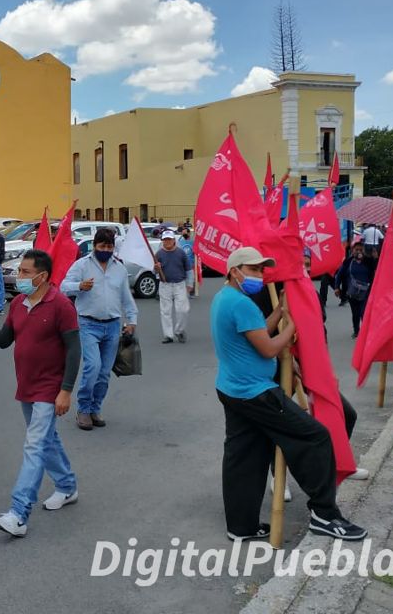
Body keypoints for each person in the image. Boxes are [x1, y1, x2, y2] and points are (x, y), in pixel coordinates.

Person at [211, 246, 367, 541]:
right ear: (235, 271)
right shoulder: (241, 303)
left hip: (232, 387)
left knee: (245, 456)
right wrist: (294, 325)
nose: (260, 275)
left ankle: (241, 527)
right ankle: (324, 513)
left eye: (262, 270)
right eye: (254, 269)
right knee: (315, 436)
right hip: (254, 391)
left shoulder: (226, 298)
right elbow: (270, 347)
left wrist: (281, 312)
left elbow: (259, 332)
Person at [0, 249, 81, 538]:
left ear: (42, 276)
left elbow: (74, 350)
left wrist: (66, 391)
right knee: (47, 441)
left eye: (24, 272)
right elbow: (4, 341)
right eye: (19, 271)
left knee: (34, 446)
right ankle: (68, 486)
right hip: (27, 387)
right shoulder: (19, 303)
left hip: (49, 388)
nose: (18, 276)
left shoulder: (61, 305)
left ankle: (18, 514)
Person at [61, 228, 137, 431]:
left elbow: (126, 297)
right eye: (102, 246)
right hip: (88, 324)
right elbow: (63, 286)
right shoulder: (82, 265)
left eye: (109, 246)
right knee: (92, 367)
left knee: (104, 373)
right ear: (94, 246)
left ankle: (95, 408)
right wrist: (79, 286)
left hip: (112, 325)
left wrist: (132, 319)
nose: (106, 249)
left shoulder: (119, 268)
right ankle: (83, 409)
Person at [154, 230, 193, 343]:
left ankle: (179, 330)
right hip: (165, 285)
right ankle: (168, 335)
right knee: (165, 311)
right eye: (165, 240)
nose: (167, 242)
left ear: (174, 240)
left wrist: (190, 284)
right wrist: (156, 268)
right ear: (162, 241)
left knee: (183, 309)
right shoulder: (159, 254)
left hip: (179, 284)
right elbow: (155, 272)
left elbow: (189, 269)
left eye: (169, 239)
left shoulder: (181, 253)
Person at [334, 242, 376, 338]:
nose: (359, 252)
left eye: (361, 250)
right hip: (352, 293)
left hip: (366, 293)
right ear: (352, 251)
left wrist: (375, 258)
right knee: (355, 313)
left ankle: (366, 332)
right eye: (356, 250)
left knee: (363, 312)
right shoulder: (348, 262)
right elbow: (339, 275)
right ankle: (356, 331)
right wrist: (336, 287)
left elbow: (376, 271)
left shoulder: (369, 262)